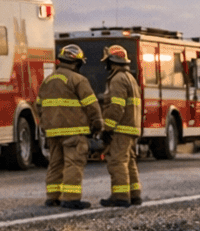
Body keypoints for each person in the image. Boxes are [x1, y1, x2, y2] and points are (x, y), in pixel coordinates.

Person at [37, 44, 103, 209]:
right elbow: (91, 105)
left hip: (52, 132)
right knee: (73, 163)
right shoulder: (78, 80)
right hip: (74, 131)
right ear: (78, 63)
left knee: (55, 163)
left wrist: (46, 124)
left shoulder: (47, 81)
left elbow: (38, 106)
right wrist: (97, 124)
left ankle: (52, 197)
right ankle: (71, 198)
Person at [98, 44, 143, 207]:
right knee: (129, 162)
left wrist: (107, 128)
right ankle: (134, 194)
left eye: (107, 62)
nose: (106, 65)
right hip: (131, 128)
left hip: (121, 129)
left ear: (112, 61)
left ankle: (120, 196)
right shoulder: (130, 78)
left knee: (117, 162)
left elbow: (116, 107)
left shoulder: (117, 79)